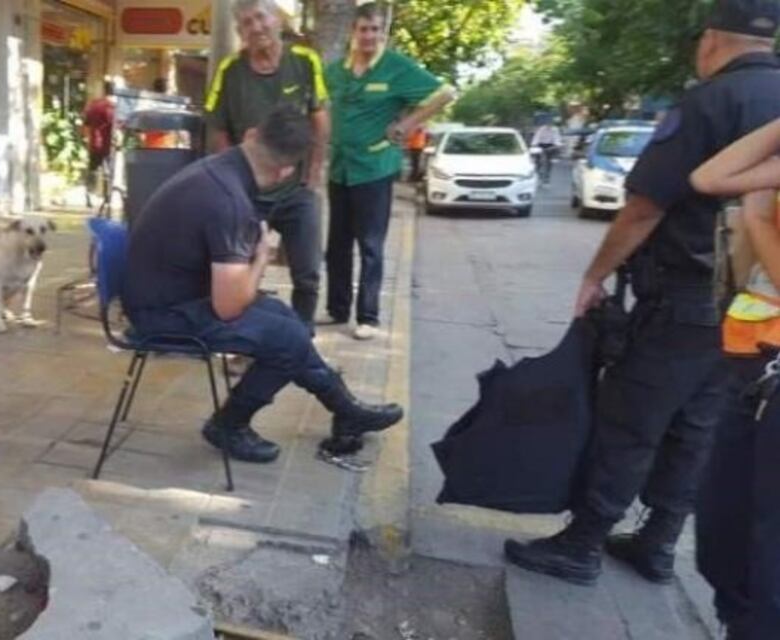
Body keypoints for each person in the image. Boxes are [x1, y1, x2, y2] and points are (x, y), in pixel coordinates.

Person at [504, 0, 780, 587]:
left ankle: (582, 543)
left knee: (630, 419)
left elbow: (645, 207)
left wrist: (595, 274)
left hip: (686, 296)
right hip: (756, 305)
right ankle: (659, 542)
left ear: (709, 41)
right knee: (698, 425)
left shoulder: (710, 101)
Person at [123, 105, 404, 463]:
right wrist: (262, 257)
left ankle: (345, 408)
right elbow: (229, 306)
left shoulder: (218, 169)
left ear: (252, 134)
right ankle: (228, 425)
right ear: (286, 171)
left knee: (285, 320)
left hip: (162, 295)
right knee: (285, 338)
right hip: (162, 314)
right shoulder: (230, 201)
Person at [689, 117, 780, 640]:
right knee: (723, 533)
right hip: (754, 363)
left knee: (768, 557)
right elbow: (711, 177)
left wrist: (759, 219)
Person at [324, 3, 454, 340]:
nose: (369, 36)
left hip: (375, 168)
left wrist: (408, 123)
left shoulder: (396, 68)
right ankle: (337, 309)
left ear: (383, 33)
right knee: (337, 244)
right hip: (340, 168)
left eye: (375, 30)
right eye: (363, 29)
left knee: (370, 245)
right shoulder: (336, 71)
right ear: (353, 32)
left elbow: (446, 93)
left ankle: (368, 316)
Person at [204, 0, 330, 329]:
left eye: (260, 17)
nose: (256, 27)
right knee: (240, 269)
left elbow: (319, 118)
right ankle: (242, 338)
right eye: (246, 23)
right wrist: (233, 182)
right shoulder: (230, 70)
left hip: (295, 189)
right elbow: (217, 128)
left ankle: (301, 339)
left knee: (308, 274)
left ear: (276, 19)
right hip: (249, 193)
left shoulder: (304, 60)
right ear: (240, 31)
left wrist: (315, 172)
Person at [82, 81, 116, 207]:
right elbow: (116, 128)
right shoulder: (112, 108)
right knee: (108, 172)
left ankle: (89, 195)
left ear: (104, 90)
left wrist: (87, 139)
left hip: (94, 143)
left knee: (93, 169)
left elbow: (86, 125)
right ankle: (107, 198)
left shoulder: (94, 105)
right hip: (108, 145)